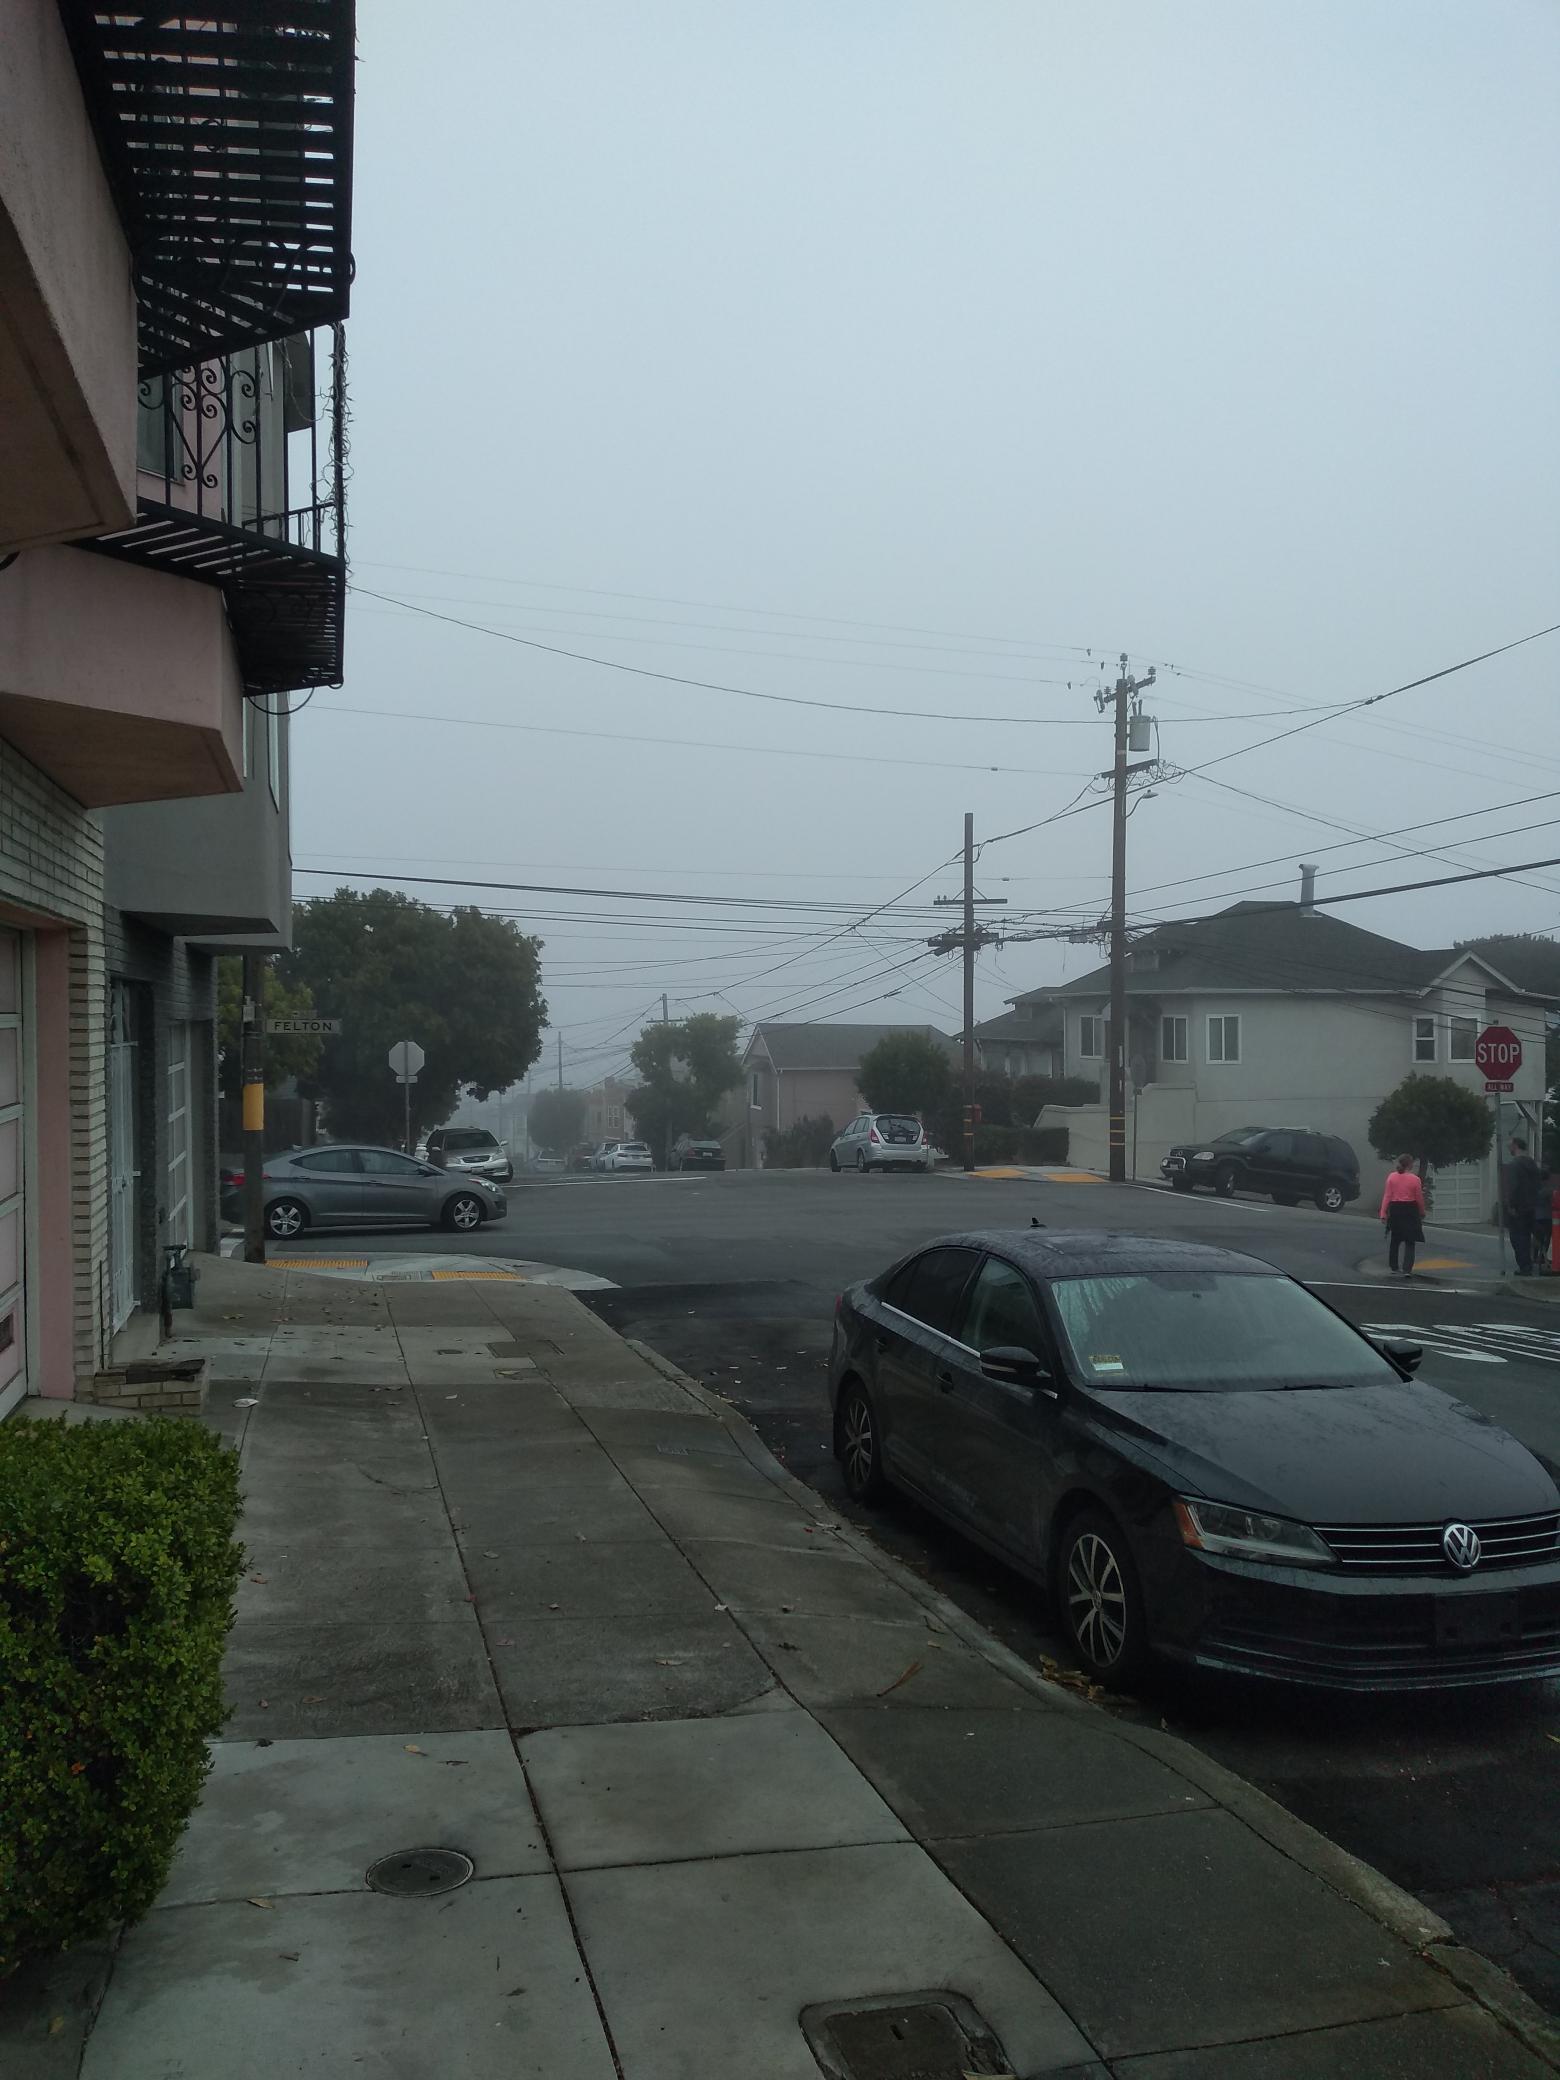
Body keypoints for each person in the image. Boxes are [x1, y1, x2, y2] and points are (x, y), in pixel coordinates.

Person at [1379, 1154, 1426, 1276]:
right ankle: (1407, 1269)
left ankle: (1394, 1267)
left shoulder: (1392, 1177)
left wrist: (1383, 1212)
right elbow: (1419, 1198)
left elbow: (1387, 1196)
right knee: (1410, 1241)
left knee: (1395, 1239)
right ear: (1410, 1165)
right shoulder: (1415, 1180)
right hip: (1410, 1210)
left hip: (1395, 1209)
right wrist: (1422, 1211)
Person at [1506, 1136, 1541, 1276]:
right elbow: (1538, 1183)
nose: (1508, 1147)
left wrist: (1511, 1204)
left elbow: (1514, 1187)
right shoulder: (1531, 1163)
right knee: (1530, 1235)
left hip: (1519, 1207)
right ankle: (1534, 1262)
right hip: (1533, 1206)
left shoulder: (1515, 1165)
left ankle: (1525, 1267)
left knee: (1518, 1238)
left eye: (1510, 1145)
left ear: (1515, 1145)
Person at [1534, 1166, 1555, 1277]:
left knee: (1536, 1237)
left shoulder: (1534, 1189)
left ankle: (1535, 1255)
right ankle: (1543, 1256)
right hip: (1547, 1217)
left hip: (1536, 1216)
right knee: (1546, 1237)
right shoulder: (1549, 1190)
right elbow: (1553, 1202)